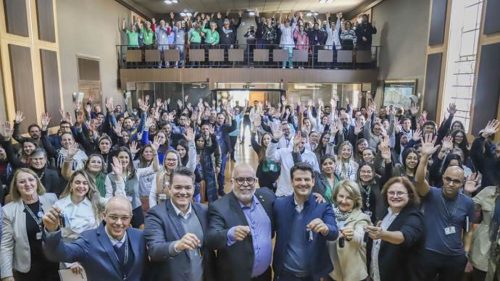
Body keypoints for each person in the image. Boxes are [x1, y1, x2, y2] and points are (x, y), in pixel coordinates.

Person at [414, 134, 478, 281]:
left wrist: (466, 253)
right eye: (448, 179)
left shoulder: (468, 202)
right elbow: (419, 181)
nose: (450, 183)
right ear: (442, 177)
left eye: (456, 181)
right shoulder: (432, 193)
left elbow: (468, 231)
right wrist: (424, 158)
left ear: (462, 183)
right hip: (429, 252)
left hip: (454, 257)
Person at [42, 196, 146, 281]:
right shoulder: (88, 239)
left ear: (131, 218)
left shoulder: (139, 236)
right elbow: (57, 254)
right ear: (104, 216)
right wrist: (52, 231)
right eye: (113, 217)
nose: (119, 222)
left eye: (124, 218)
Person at [206, 163, 276, 281]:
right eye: (240, 180)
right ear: (232, 181)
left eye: (249, 179)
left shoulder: (267, 197)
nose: (245, 184)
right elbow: (211, 238)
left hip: (265, 275)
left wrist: (314, 195)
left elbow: (288, 203)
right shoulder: (219, 207)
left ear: (256, 181)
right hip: (235, 277)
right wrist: (229, 234)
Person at [144, 167, 215, 281]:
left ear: (193, 189)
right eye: (178, 187)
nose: (183, 192)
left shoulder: (204, 211)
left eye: (188, 187)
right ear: (169, 188)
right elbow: (154, 250)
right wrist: (177, 245)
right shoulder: (156, 215)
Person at [272, 162, 339, 280]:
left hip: (312, 275)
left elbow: (334, 233)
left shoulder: (322, 206)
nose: (303, 183)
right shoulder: (279, 205)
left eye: (307, 179)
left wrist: (325, 228)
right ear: (292, 182)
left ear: (313, 182)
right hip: (285, 274)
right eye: (298, 179)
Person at [0, 168, 59, 281]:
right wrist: (7, 275)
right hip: (28, 269)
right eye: (22, 182)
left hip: (55, 264)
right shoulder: (8, 210)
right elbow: (6, 245)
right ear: (16, 186)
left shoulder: (52, 199)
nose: (27, 184)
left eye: (31, 180)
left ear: (37, 181)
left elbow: (64, 232)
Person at [366, 177, 424, 281]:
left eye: (400, 193)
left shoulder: (414, 216)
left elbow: (403, 237)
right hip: (377, 273)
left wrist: (382, 234)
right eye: (391, 193)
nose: (395, 196)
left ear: (410, 195)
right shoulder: (386, 212)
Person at [328, 180, 371, 281]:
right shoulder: (329, 215)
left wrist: (352, 235)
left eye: (349, 198)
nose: (343, 201)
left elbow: (361, 239)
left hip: (354, 277)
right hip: (332, 275)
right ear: (335, 196)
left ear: (355, 200)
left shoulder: (362, 218)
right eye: (341, 196)